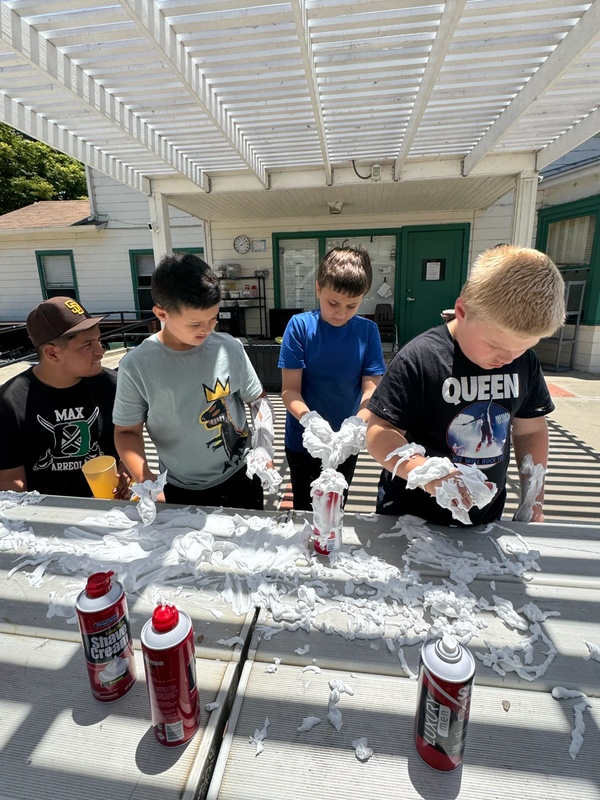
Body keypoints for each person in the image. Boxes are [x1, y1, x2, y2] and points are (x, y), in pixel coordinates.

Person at [366, 244, 566, 526]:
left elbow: (530, 429)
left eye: (521, 348)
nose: (507, 358)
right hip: (410, 515)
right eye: (495, 346)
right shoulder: (420, 357)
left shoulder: (524, 363)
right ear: (462, 310)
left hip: (485, 514)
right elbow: (379, 432)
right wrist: (429, 475)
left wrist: (534, 498)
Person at [113, 252, 270, 510]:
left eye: (213, 318)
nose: (208, 329)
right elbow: (127, 431)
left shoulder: (229, 347)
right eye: (196, 322)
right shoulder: (137, 365)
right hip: (177, 486)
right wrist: (145, 478)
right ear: (161, 313)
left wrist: (264, 446)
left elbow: (258, 401)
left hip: (242, 476)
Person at [278, 247, 386, 509]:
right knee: (305, 506)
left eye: (352, 305)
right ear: (318, 289)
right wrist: (309, 419)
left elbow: (371, 390)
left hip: (344, 442)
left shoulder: (367, 331)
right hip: (304, 439)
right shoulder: (300, 326)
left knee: (335, 506)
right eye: (333, 303)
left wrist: (356, 425)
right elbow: (289, 390)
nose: (341, 313)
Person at [0, 296, 128, 498]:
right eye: (87, 345)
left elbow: (131, 436)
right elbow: (10, 480)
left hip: (111, 507)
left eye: (99, 340)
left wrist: (127, 466)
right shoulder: (9, 402)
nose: (101, 351)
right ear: (52, 353)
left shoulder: (114, 385)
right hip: (45, 512)